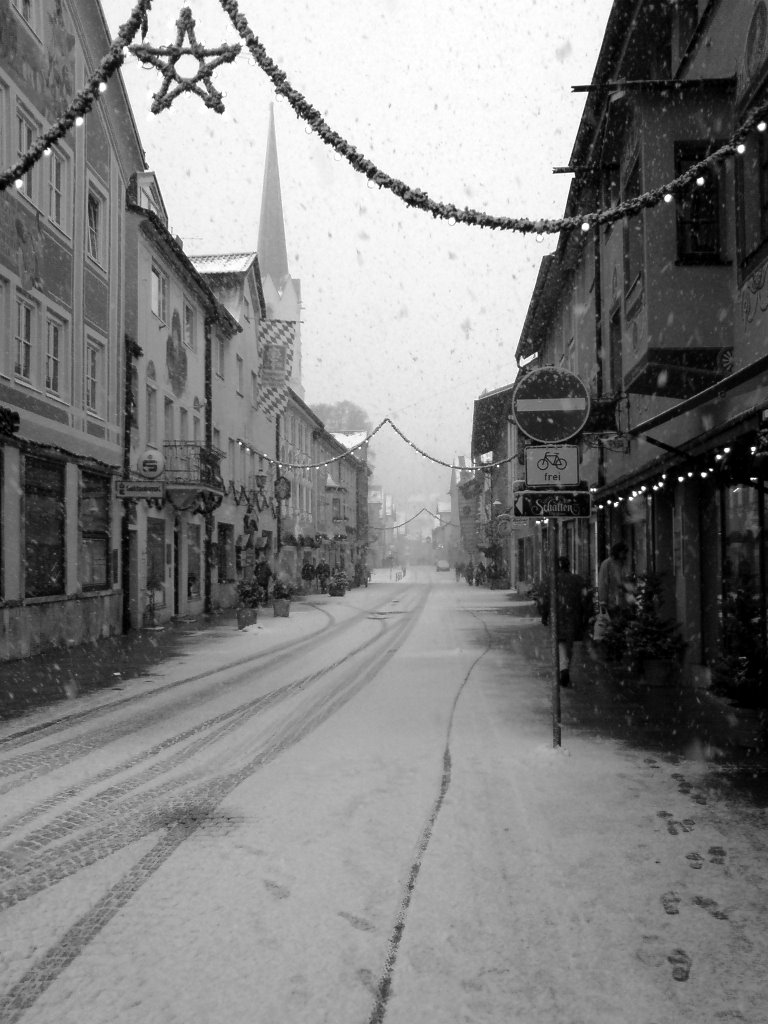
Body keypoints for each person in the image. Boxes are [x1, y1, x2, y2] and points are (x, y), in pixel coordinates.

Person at [543, 556, 588, 688]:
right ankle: (565, 667)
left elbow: (546, 598)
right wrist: (586, 614)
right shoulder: (578, 580)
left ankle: (564, 668)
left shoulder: (553, 581)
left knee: (561, 643)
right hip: (574, 617)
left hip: (559, 616)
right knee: (569, 644)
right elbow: (585, 597)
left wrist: (545, 614)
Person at [597, 541, 632, 618]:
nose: (624, 555)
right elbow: (603, 584)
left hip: (622, 603)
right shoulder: (607, 564)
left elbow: (625, 581)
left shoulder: (622, 564)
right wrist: (603, 602)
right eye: (623, 552)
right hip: (612, 603)